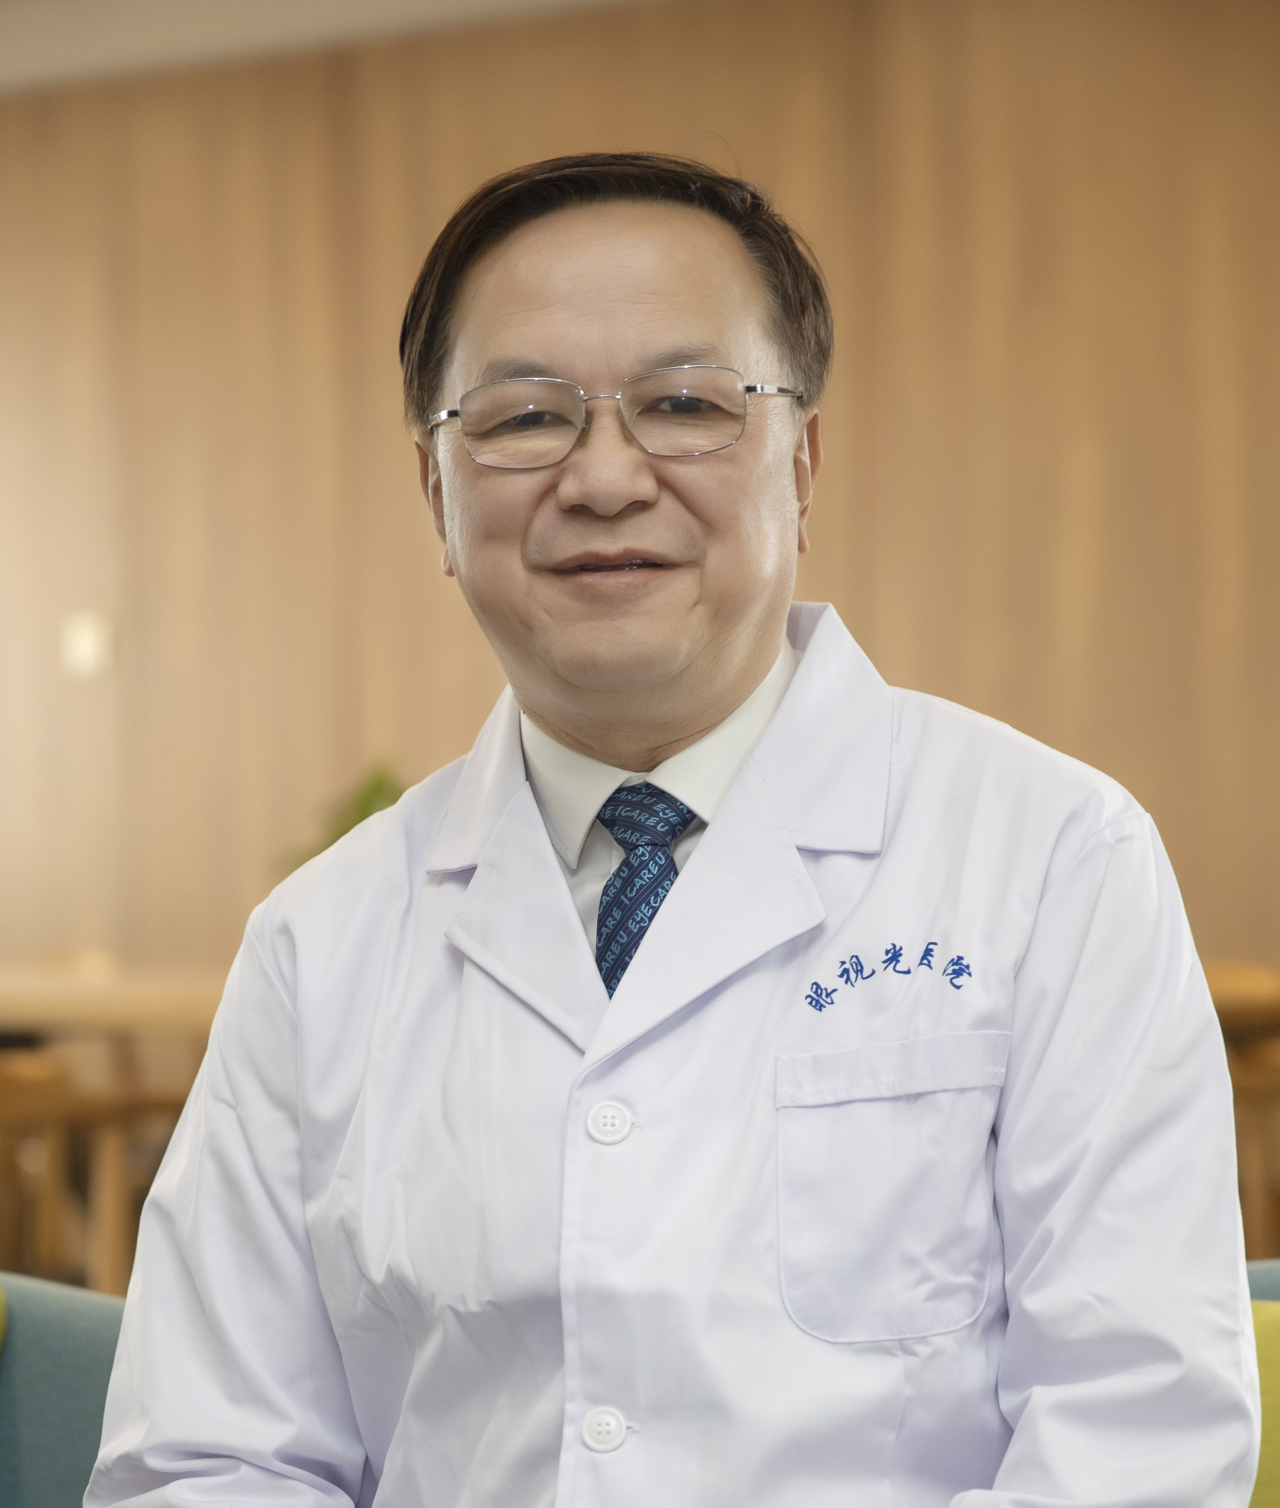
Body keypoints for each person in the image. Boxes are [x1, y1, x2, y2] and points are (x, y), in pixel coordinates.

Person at [87, 152, 1258, 1507]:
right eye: (526, 417)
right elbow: (210, 1457)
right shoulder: (319, 943)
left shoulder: (1056, 863)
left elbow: (1139, 1435)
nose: (602, 476)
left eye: (686, 404)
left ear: (801, 462)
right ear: (436, 494)